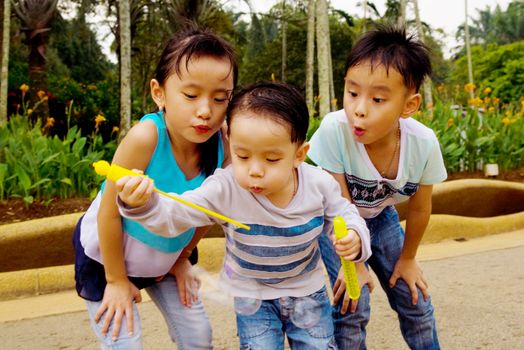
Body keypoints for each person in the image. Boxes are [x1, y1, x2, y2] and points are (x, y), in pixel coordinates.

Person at [115, 82, 372, 350]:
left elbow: (346, 213)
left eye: (271, 159)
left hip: (307, 291)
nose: (255, 171)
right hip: (253, 298)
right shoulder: (226, 188)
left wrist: (354, 236)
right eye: (242, 155)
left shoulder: (318, 184)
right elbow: (174, 214)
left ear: (299, 155)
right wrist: (142, 204)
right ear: (230, 143)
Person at [72, 28, 238, 349]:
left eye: (220, 98)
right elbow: (109, 212)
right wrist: (117, 281)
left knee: (198, 337)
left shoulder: (224, 143)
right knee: (125, 343)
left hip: (167, 255)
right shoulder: (145, 137)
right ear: (159, 92)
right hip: (108, 258)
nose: (206, 110)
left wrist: (182, 258)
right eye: (191, 96)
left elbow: (206, 212)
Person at [309, 25, 447, 350]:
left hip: (381, 218)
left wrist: (409, 258)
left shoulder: (423, 144)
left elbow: (421, 207)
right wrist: (355, 262)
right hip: (336, 222)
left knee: (415, 299)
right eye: (352, 93)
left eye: (377, 99)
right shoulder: (334, 130)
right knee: (353, 303)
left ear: (408, 105)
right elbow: (338, 206)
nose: (359, 108)